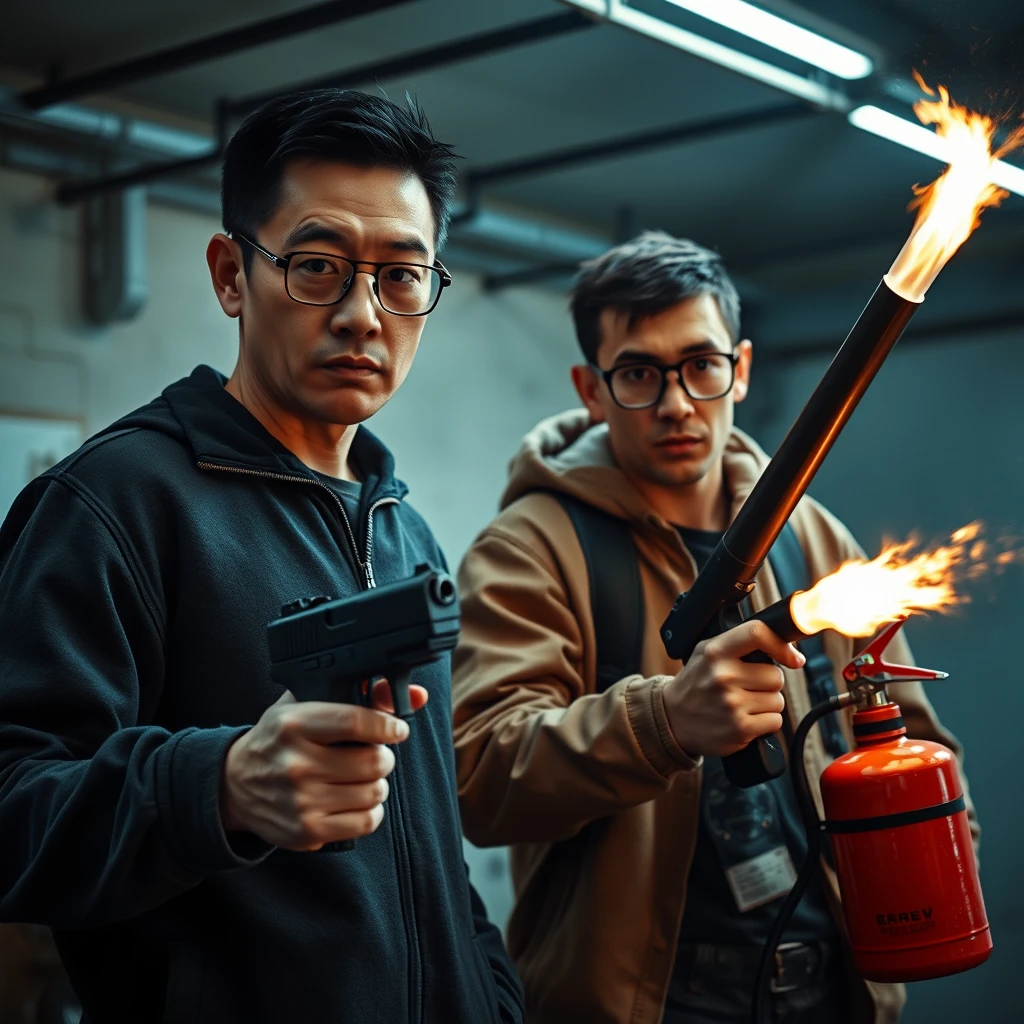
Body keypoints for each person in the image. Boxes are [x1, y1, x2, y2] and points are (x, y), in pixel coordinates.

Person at [0, 88, 523, 1024]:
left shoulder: (404, 530)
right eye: (316, 265)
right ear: (231, 275)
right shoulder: (116, 504)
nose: (364, 314)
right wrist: (222, 787)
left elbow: (433, 852)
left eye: (402, 276)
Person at [450, 232, 977, 1024]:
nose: (675, 402)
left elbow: (914, 726)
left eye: (701, 365)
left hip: (837, 988)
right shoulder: (531, 550)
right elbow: (478, 778)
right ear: (589, 390)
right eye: (637, 373)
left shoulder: (810, 537)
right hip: (654, 1003)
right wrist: (664, 722)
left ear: (742, 369)